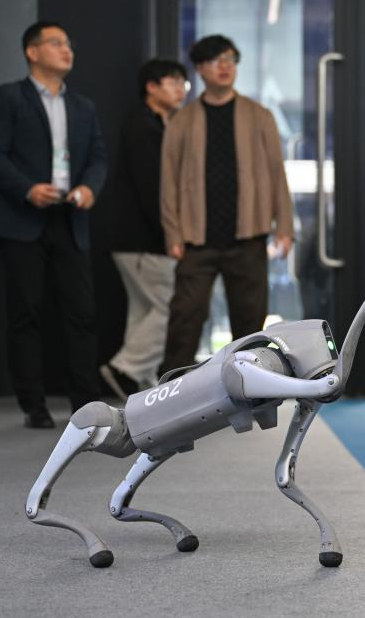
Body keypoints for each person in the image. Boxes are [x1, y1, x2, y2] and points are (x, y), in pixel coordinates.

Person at [0, 21, 107, 428]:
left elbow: (98, 156)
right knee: (26, 314)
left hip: (70, 217)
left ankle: (85, 405)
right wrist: (27, 189)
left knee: (82, 313)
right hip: (21, 219)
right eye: (56, 43)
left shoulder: (83, 106)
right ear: (32, 52)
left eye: (69, 43)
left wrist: (89, 187)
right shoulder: (8, 97)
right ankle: (33, 405)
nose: (67, 49)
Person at [158, 34, 294, 379]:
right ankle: (171, 392)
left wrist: (284, 227)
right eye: (216, 60)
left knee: (250, 325)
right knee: (185, 319)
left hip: (248, 235)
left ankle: (253, 391)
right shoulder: (182, 120)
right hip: (196, 238)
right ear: (200, 68)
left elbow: (277, 173)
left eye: (231, 59)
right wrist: (173, 233)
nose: (225, 66)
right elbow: (168, 181)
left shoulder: (259, 116)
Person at [99, 59, 188, 399]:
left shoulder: (162, 124)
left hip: (133, 239)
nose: (179, 89)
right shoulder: (143, 127)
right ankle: (125, 370)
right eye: (172, 81)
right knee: (170, 305)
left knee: (143, 311)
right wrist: (172, 234)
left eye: (182, 83)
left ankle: (140, 385)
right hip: (142, 239)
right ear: (151, 87)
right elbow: (153, 189)